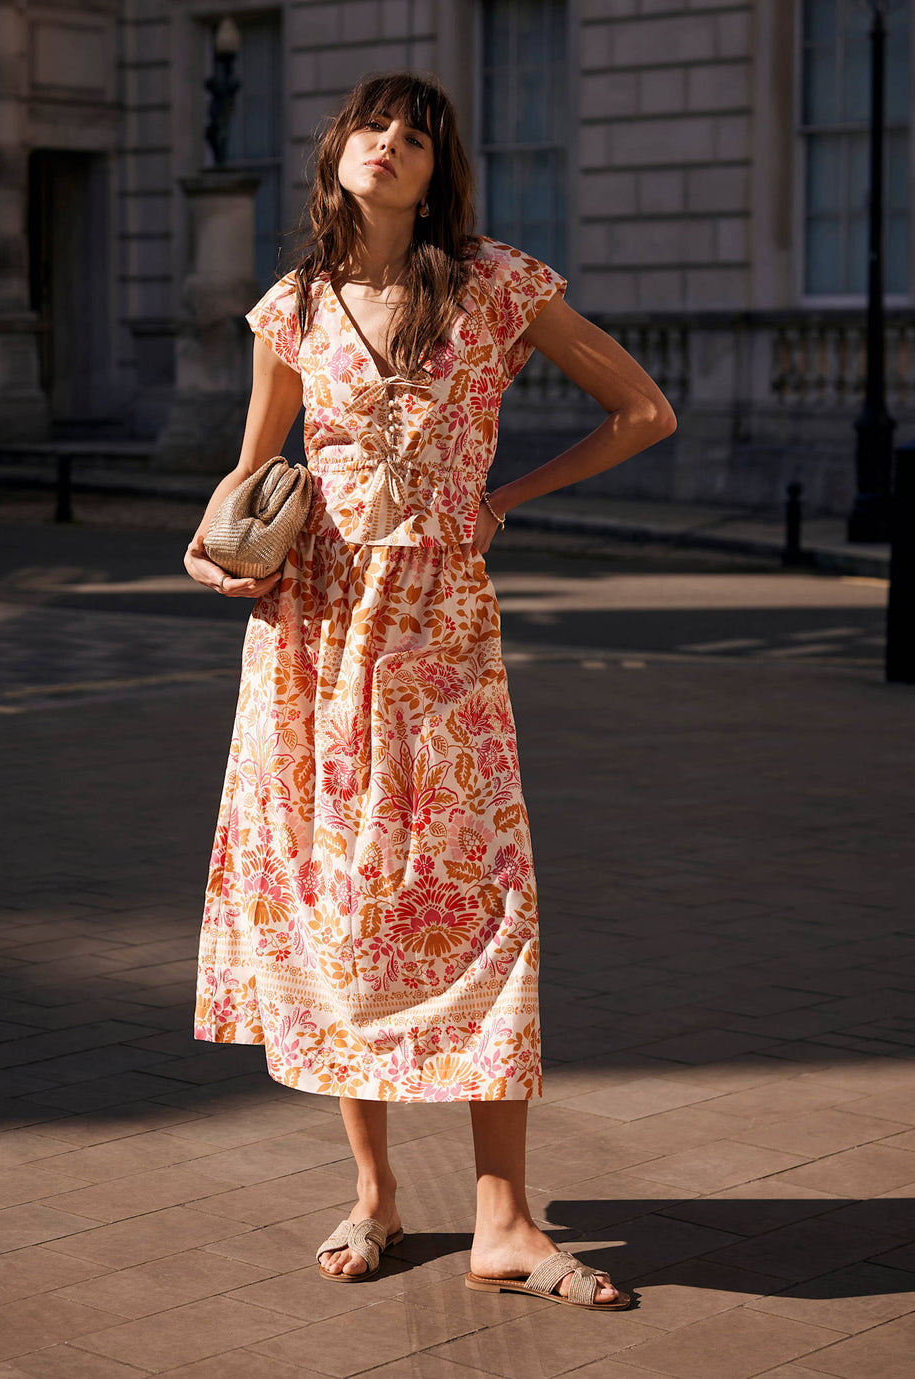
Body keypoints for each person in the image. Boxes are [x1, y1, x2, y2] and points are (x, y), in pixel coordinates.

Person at [185, 70, 675, 1309]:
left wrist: (503, 498)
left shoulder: (497, 284)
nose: (390, 144)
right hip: (311, 636)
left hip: (442, 629)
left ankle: (503, 1219)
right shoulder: (293, 306)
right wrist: (212, 547)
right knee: (340, 904)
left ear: (435, 168)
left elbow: (642, 411)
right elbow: (249, 472)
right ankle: (375, 1194)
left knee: (482, 901)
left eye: (415, 135)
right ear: (338, 150)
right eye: (372, 126)